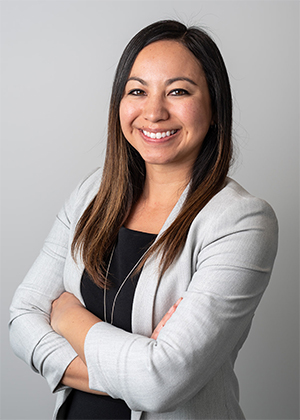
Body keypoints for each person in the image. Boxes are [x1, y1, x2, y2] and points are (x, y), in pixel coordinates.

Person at [9, 20, 278, 420]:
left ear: (215, 107)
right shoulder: (92, 194)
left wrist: (67, 317)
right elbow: (22, 317)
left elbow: (159, 382)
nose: (153, 112)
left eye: (178, 91)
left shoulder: (241, 222)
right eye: (137, 91)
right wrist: (130, 373)